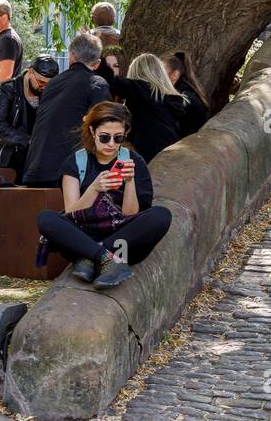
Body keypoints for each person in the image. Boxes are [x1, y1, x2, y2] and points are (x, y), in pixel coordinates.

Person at [36, 101, 171, 290]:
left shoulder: (133, 161)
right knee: (46, 218)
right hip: (83, 237)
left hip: (122, 243)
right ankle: (104, 258)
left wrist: (130, 182)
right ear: (92, 131)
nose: (111, 144)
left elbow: (131, 214)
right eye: (105, 137)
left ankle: (94, 257)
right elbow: (72, 213)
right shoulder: (76, 161)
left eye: (118, 138)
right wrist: (94, 188)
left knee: (161, 215)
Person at [21, 32, 110, 188]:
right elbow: (101, 126)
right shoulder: (97, 84)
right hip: (68, 172)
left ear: (71, 56)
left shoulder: (53, 83)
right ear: (96, 64)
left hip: (34, 167)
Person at [96, 53, 186, 162]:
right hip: (169, 153)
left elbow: (112, 81)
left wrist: (95, 55)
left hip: (150, 157)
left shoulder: (143, 90)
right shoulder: (168, 97)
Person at [0, 54, 60, 181]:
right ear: (30, 72)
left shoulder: (49, 94)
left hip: (35, 160)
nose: (43, 87)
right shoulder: (7, 89)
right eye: (41, 82)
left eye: (48, 84)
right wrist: (28, 141)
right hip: (7, 158)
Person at [161, 51, 209, 138]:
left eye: (161, 72)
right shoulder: (184, 89)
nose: (157, 76)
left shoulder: (181, 97)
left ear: (174, 75)